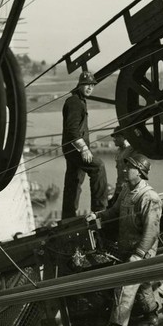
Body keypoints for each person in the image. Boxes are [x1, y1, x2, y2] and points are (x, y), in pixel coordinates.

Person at [86, 153, 162, 326]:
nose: (126, 170)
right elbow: (114, 212)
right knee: (144, 286)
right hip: (128, 248)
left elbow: (151, 232)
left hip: (142, 251)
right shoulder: (127, 191)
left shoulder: (149, 197)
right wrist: (98, 216)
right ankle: (152, 317)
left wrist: (139, 254)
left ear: (140, 172)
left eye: (130, 168)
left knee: (125, 284)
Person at [61, 71, 108, 219]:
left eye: (92, 85)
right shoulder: (75, 102)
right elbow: (72, 130)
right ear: (80, 85)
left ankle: (68, 217)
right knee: (98, 167)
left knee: (73, 181)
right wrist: (84, 149)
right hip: (75, 149)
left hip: (72, 149)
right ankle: (99, 209)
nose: (89, 88)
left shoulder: (78, 100)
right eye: (86, 85)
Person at [108, 126, 134, 207]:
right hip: (119, 188)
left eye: (117, 136)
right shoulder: (118, 152)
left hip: (129, 189)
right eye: (114, 137)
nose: (114, 139)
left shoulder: (132, 150)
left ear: (125, 137)